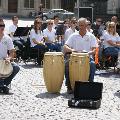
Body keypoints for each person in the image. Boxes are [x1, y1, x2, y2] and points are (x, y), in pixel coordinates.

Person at [63, 18, 97, 94]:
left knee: (92, 65)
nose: (81, 27)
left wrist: (88, 53)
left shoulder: (91, 36)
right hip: (74, 58)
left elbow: (94, 50)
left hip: (87, 57)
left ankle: (90, 85)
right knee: (67, 65)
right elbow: (65, 46)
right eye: (79, 25)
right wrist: (72, 50)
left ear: (86, 25)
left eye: (82, 25)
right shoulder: (73, 35)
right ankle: (69, 86)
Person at [0, 18, 20, 94]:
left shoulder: (7, 38)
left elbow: (12, 52)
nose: (2, 27)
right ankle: (2, 86)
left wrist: (9, 58)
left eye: (3, 25)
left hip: (5, 62)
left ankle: (4, 84)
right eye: (0, 25)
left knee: (16, 67)